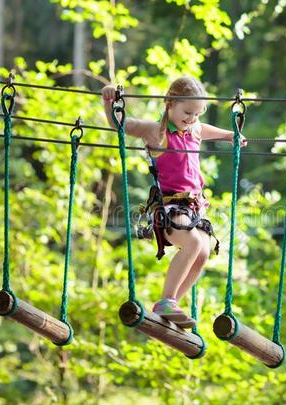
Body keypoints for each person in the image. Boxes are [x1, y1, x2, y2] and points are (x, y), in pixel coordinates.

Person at [102, 76, 247, 328]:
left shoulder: (194, 129)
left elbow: (206, 129)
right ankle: (166, 299)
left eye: (197, 114)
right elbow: (120, 125)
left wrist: (229, 136)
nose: (192, 119)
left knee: (202, 252)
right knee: (191, 241)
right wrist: (109, 101)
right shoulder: (156, 131)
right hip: (169, 207)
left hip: (194, 208)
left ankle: (172, 305)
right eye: (187, 112)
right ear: (170, 103)